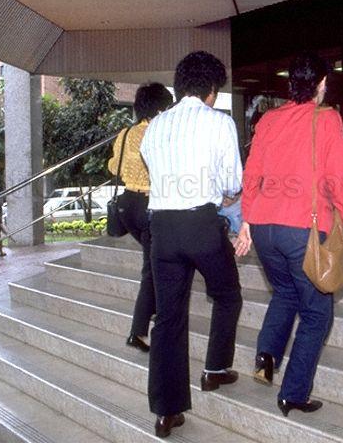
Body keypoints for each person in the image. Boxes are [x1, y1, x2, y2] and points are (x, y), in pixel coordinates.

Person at [234, 51, 343, 417]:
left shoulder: (269, 119)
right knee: (317, 314)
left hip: (265, 228)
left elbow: (251, 174)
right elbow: (338, 179)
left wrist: (246, 220)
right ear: (321, 83)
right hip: (303, 228)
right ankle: (294, 393)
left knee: (285, 292)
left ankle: (266, 355)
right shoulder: (327, 118)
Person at [140, 51, 243, 438]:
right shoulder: (219, 122)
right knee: (227, 295)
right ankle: (215, 369)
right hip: (202, 225)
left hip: (162, 231)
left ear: (180, 85)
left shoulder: (155, 125)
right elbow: (233, 182)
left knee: (168, 318)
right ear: (211, 89)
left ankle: (166, 412)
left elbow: (152, 168)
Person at [107, 82, 173, 353]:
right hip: (150, 204)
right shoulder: (160, 133)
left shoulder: (125, 134)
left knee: (153, 262)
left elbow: (114, 167)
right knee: (151, 270)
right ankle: (138, 330)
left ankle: (152, 310)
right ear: (159, 108)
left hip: (127, 206)